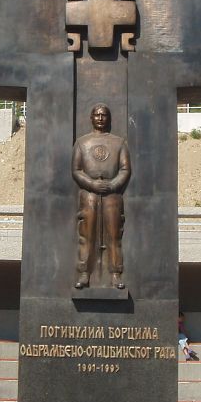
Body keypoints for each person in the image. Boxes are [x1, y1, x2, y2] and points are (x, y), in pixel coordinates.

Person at [72, 103, 131, 290]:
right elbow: (76, 170)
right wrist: (91, 184)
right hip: (89, 195)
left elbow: (125, 169)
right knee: (87, 234)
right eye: (96, 115)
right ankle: (84, 273)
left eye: (103, 115)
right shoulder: (82, 142)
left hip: (112, 196)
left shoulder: (119, 143)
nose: (100, 118)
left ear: (108, 118)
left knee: (114, 235)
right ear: (91, 118)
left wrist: (112, 185)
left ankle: (115, 273)